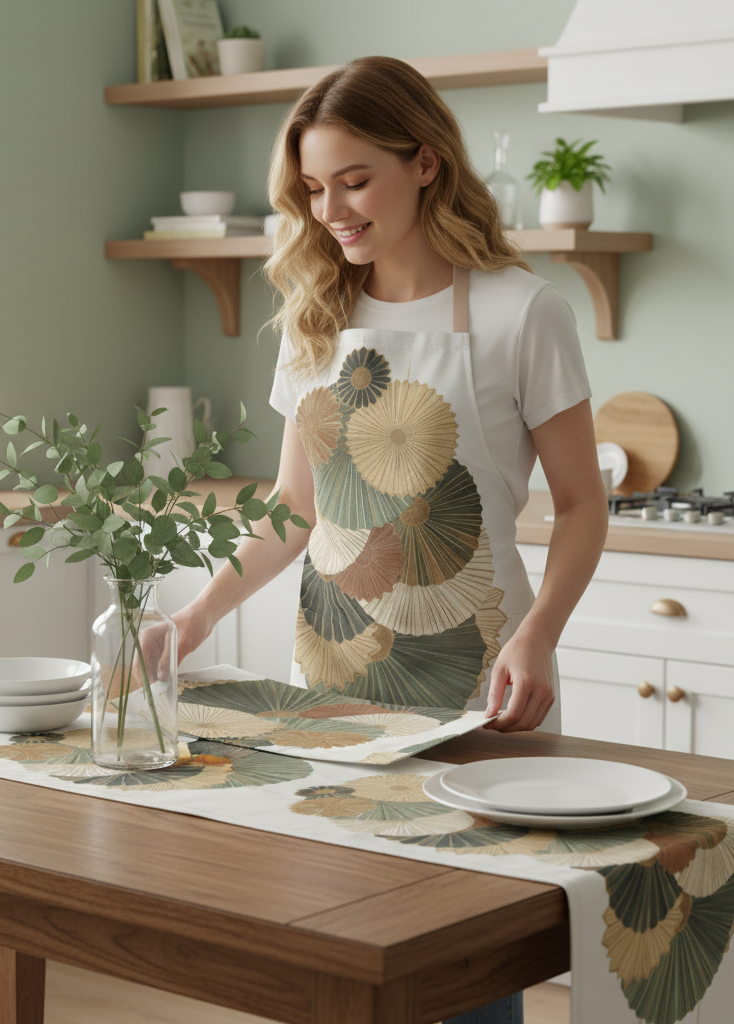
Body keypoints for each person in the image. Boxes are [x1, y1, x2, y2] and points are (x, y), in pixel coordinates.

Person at [171, 56, 608, 1022]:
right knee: (335, 941)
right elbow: (294, 508)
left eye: (354, 180)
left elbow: (583, 502)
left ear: (426, 164)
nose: (330, 210)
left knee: (468, 955)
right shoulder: (316, 319)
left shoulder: (522, 311)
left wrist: (539, 636)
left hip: (477, 677)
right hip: (331, 680)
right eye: (312, 188)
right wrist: (195, 615)